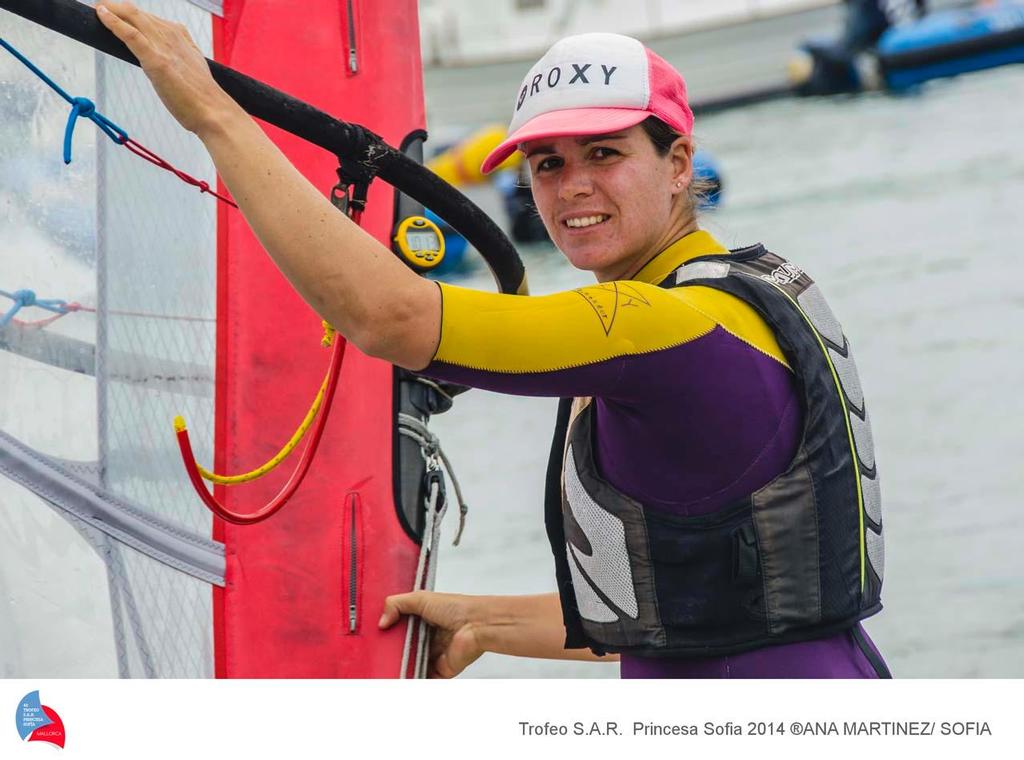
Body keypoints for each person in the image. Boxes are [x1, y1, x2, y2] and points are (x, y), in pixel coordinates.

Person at [96, 3, 888, 679]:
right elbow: (702, 611)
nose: (571, 185)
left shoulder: (664, 325)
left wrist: (211, 113)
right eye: (546, 164)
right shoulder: (737, 290)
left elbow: (393, 319)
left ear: (679, 164)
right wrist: (483, 624)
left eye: (604, 153)